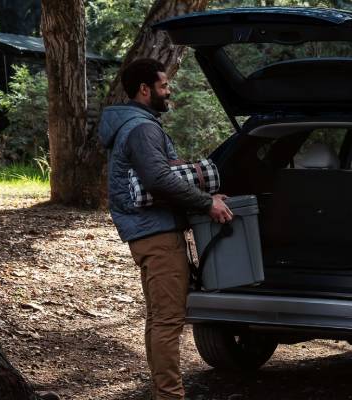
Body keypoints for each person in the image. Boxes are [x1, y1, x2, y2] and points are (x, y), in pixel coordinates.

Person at [98, 58, 233, 400]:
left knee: (159, 318)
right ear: (145, 89)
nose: (168, 91)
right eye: (164, 85)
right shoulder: (142, 128)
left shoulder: (133, 124)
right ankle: (170, 396)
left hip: (149, 232)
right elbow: (158, 179)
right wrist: (206, 203)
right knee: (167, 321)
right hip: (157, 235)